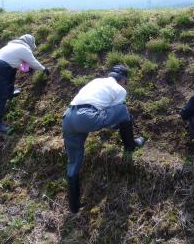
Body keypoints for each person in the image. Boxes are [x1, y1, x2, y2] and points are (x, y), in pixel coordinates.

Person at [62, 65, 145, 213]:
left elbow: (105, 112)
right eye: (125, 81)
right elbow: (116, 114)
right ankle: (130, 145)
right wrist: (121, 124)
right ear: (123, 79)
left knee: (73, 163)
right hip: (87, 116)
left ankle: (74, 207)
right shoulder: (120, 89)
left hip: (68, 117)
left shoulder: (96, 81)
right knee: (123, 110)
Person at [0, 34, 50, 134]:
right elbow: (33, 62)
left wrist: (29, 70)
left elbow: (20, 66)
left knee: (12, 72)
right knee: (1, 96)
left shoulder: (12, 46)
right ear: (29, 43)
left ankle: (10, 93)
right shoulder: (24, 49)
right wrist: (44, 69)